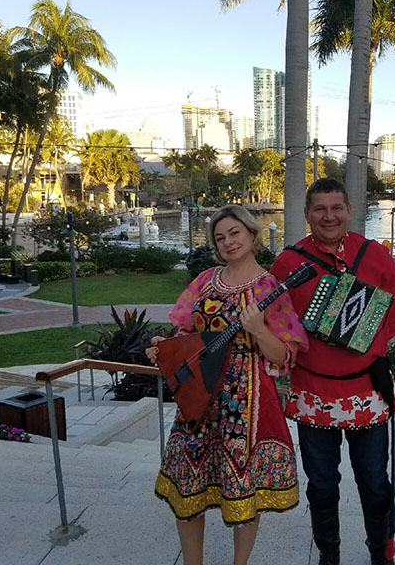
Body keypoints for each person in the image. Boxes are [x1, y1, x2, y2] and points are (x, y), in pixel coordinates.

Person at [147, 204, 308, 565]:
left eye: (235, 233)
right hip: (199, 395)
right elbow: (184, 332)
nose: (228, 242)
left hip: (245, 398)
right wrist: (165, 349)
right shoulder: (204, 281)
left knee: (243, 490)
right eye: (220, 238)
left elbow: (284, 356)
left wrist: (259, 330)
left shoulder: (272, 288)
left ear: (252, 235)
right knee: (188, 482)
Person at [270, 178, 395, 565]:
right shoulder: (288, 263)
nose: (328, 216)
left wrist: (368, 343)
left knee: (375, 482)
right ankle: (329, 556)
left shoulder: (374, 255)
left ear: (349, 211)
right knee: (322, 486)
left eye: (336, 208)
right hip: (313, 393)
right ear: (306, 214)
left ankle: (379, 555)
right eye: (320, 209)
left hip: (365, 390)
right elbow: (277, 322)